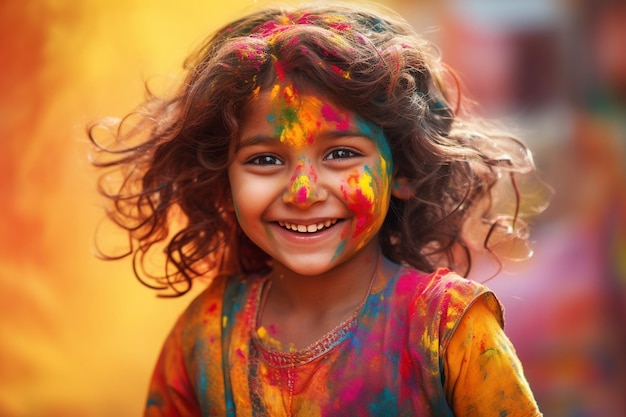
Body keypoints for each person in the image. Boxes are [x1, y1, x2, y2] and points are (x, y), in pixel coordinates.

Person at [88, 2, 547, 416]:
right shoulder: (207, 333)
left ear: (402, 169)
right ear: (222, 181)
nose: (303, 192)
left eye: (341, 153)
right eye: (265, 160)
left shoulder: (448, 328)